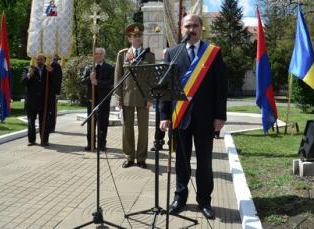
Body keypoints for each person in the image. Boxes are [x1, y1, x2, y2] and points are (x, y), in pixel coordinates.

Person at [159, 14, 228, 220]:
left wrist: (220, 116)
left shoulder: (213, 53)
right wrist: (164, 114)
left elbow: (221, 87)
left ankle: (204, 201)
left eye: (195, 25)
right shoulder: (172, 52)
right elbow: (165, 87)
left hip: (206, 119)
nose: (192, 29)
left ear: (201, 28)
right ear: (181, 29)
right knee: (181, 161)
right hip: (180, 117)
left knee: (205, 162)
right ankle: (180, 198)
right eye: (187, 26)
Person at [114, 23, 155, 169]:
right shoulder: (122, 55)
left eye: (139, 35)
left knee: (143, 129)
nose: (137, 38)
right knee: (127, 129)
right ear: (129, 38)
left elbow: (152, 79)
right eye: (134, 36)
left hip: (144, 97)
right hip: (127, 97)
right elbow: (118, 76)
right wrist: (118, 97)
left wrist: (150, 98)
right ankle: (129, 157)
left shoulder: (149, 55)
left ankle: (142, 158)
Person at [82, 48, 114, 151]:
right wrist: (89, 79)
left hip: (103, 100)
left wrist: (98, 82)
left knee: (103, 122)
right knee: (91, 122)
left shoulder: (109, 68)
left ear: (103, 55)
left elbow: (111, 83)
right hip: (91, 99)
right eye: (96, 54)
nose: (98, 56)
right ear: (93, 55)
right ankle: (90, 143)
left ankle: (101, 144)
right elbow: (82, 81)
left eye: (100, 54)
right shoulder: (89, 68)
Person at [21, 54, 54, 146]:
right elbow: (23, 82)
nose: (39, 61)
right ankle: (31, 140)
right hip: (31, 101)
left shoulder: (48, 69)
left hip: (44, 100)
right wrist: (29, 75)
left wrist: (52, 73)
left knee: (44, 121)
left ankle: (44, 140)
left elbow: (54, 83)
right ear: (35, 60)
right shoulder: (28, 69)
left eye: (41, 59)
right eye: (37, 59)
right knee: (31, 121)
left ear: (44, 60)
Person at [48, 56, 63, 133]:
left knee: (52, 110)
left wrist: (57, 92)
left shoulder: (56, 66)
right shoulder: (43, 63)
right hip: (44, 91)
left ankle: (51, 127)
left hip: (53, 91)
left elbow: (59, 79)